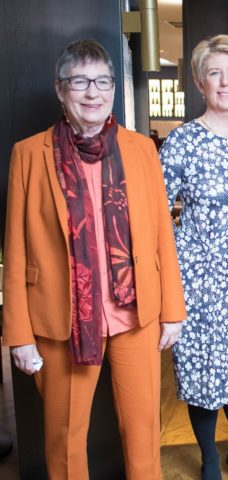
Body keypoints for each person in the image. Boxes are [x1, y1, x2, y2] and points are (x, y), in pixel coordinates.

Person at [2, 39, 186, 479]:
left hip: (136, 313)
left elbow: (163, 234)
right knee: (64, 440)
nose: (93, 93)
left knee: (144, 433)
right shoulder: (29, 153)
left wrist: (173, 312)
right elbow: (16, 248)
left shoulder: (141, 149)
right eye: (80, 81)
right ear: (61, 90)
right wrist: (18, 335)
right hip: (62, 320)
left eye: (103, 81)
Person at [160, 34, 228, 480]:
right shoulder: (182, 141)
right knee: (201, 375)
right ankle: (208, 458)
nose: (224, 82)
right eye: (214, 73)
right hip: (196, 278)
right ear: (201, 84)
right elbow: (154, 214)